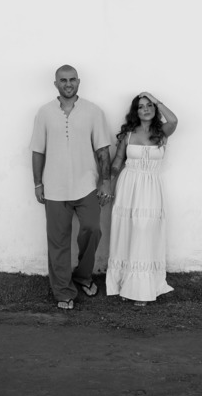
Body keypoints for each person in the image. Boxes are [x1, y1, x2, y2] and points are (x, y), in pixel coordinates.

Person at [30, 65, 113, 310]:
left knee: (92, 229)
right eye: (63, 80)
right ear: (55, 83)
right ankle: (63, 291)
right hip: (54, 188)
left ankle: (83, 275)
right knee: (58, 241)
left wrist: (105, 181)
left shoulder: (93, 111)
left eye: (72, 79)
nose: (68, 84)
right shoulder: (44, 113)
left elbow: (102, 150)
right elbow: (37, 150)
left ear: (79, 81)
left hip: (86, 185)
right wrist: (37, 183)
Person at [106, 91, 179, 306]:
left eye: (149, 105)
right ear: (135, 112)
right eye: (140, 106)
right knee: (129, 231)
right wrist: (109, 185)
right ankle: (126, 284)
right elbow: (118, 161)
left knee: (145, 230)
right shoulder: (128, 134)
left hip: (151, 187)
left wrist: (156, 99)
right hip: (129, 185)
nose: (145, 109)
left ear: (154, 109)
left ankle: (143, 287)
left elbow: (174, 120)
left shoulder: (162, 132)